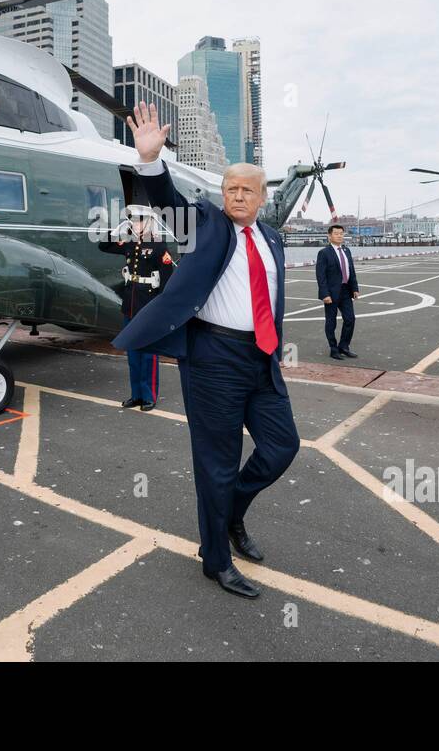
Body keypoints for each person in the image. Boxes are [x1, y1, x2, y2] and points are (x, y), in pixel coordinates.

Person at [114, 101, 299, 599]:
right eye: (231, 188)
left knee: (283, 448)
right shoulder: (207, 224)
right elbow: (167, 201)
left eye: (248, 190)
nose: (238, 195)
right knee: (216, 465)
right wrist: (151, 161)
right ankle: (214, 557)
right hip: (213, 359)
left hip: (260, 359)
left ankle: (232, 514)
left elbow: (271, 298)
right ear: (222, 194)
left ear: (262, 197)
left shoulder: (274, 240)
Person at [99, 207, 176, 410]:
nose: (135, 224)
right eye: (133, 220)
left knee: (148, 353)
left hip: (149, 306)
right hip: (130, 306)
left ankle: (149, 395)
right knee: (133, 352)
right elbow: (103, 246)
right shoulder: (129, 244)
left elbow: (167, 279)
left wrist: (161, 309)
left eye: (140, 220)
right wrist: (116, 230)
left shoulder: (159, 247)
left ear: (149, 222)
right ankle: (137, 395)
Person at [316, 223, 360, 360]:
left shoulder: (346, 251)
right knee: (331, 322)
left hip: (346, 291)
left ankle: (344, 346)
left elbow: (351, 271)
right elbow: (320, 275)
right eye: (336, 233)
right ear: (329, 236)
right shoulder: (324, 253)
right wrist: (324, 294)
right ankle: (333, 349)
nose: (339, 236)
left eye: (341, 233)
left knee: (350, 319)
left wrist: (355, 288)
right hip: (331, 293)